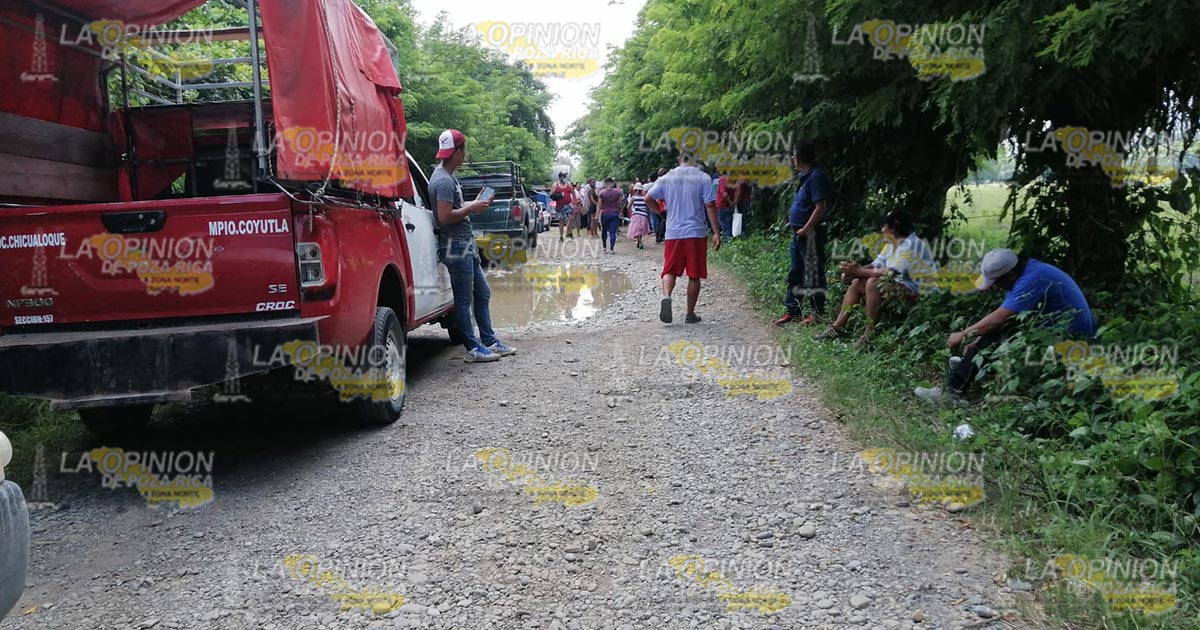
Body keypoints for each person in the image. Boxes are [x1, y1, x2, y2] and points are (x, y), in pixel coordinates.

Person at [915, 248, 1096, 402]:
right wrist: (976, 344)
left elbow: (998, 319)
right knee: (995, 333)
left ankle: (953, 390)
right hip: (1055, 332)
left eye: (996, 282)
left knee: (996, 330)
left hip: (1070, 339)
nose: (994, 287)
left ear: (1009, 276)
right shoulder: (1031, 270)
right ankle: (966, 369)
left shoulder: (1032, 279)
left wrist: (964, 334)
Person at [429, 129, 516, 363]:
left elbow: (451, 208)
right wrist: (471, 208)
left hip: (465, 243)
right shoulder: (444, 180)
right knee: (464, 298)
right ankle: (472, 347)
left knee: (483, 293)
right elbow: (444, 217)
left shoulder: (447, 176)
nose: (464, 155)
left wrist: (475, 203)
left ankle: (488, 340)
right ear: (457, 152)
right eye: (463, 150)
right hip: (456, 245)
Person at [813, 211, 938, 346]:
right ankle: (837, 326)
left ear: (895, 226)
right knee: (856, 283)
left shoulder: (912, 244)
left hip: (918, 293)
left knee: (873, 283)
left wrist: (858, 271)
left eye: (884, 225)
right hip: (900, 286)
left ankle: (869, 334)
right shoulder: (892, 244)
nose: (882, 229)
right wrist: (854, 273)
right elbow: (874, 265)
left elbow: (889, 273)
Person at [645, 154, 720, 324]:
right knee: (694, 274)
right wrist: (716, 232)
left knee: (669, 270)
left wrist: (660, 212)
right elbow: (709, 205)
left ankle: (666, 296)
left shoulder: (667, 178)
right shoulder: (703, 177)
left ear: (679, 158)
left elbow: (648, 198)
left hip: (673, 233)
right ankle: (690, 313)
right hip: (696, 233)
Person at [774, 143, 830, 326]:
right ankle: (793, 311)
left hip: (810, 234)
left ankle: (817, 312)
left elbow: (820, 208)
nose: (792, 159)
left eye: (792, 156)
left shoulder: (816, 177)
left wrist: (806, 228)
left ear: (797, 158)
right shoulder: (805, 176)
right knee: (795, 272)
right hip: (799, 234)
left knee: (814, 273)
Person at [597, 177, 624, 253]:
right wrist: (621, 212)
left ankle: (604, 248)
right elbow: (620, 203)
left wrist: (597, 214)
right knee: (613, 232)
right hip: (614, 213)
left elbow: (599, 204)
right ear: (612, 183)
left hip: (604, 213)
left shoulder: (601, 193)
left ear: (605, 183)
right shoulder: (617, 192)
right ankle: (612, 249)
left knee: (604, 231)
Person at [550, 173, 574, 241]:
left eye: (565, 176)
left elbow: (573, 193)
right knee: (561, 221)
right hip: (560, 206)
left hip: (569, 205)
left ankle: (569, 232)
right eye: (564, 176)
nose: (565, 178)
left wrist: (574, 203)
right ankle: (561, 236)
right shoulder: (555, 185)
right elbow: (551, 195)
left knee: (571, 218)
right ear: (560, 177)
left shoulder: (569, 184)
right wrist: (559, 195)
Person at [627, 183, 651, 249]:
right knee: (641, 228)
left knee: (636, 228)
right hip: (643, 215)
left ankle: (639, 240)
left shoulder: (633, 198)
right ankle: (639, 240)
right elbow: (648, 207)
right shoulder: (645, 198)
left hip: (636, 214)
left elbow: (628, 206)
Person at [715, 173, 735, 239]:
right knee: (729, 224)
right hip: (730, 206)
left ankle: (727, 241)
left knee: (725, 226)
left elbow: (724, 194)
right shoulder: (734, 179)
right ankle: (730, 241)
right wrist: (733, 203)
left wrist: (730, 202)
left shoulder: (723, 179)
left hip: (723, 206)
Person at [653, 167, 669, 244]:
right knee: (664, 221)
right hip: (663, 205)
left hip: (659, 204)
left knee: (660, 221)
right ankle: (661, 237)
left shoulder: (657, 181)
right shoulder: (663, 181)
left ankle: (659, 236)